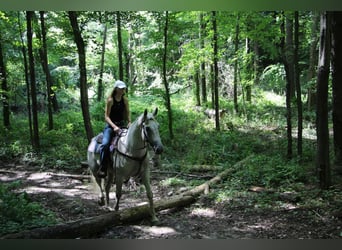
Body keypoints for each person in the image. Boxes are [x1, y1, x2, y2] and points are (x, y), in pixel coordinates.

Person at [98, 80, 131, 178]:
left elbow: (127, 112)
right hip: (110, 126)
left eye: (123, 88)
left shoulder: (125, 100)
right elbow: (106, 117)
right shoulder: (110, 100)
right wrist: (114, 127)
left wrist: (129, 121)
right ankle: (103, 168)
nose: (122, 90)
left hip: (122, 125)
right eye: (120, 88)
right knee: (105, 145)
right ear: (116, 89)